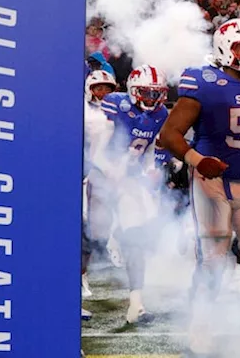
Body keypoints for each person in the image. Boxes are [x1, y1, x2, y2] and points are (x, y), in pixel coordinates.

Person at [156, 21, 240, 352]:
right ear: (225, 48)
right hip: (211, 180)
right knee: (212, 259)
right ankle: (200, 325)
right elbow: (168, 135)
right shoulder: (205, 82)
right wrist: (197, 160)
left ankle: (234, 258)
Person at [93, 63, 170, 327]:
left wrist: (150, 170)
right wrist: (108, 169)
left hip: (128, 177)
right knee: (88, 237)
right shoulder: (115, 104)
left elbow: (148, 150)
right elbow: (95, 148)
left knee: (143, 233)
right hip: (97, 173)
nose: (152, 99)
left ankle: (136, 305)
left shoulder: (160, 114)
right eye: (146, 92)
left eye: (156, 93)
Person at [81, 69, 118, 321]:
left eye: (107, 88)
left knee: (95, 231)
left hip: (103, 177)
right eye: (98, 88)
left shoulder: (116, 112)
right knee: (80, 231)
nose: (103, 93)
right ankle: (77, 281)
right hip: (82, 175)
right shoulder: (80, 110)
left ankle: (84, 275)